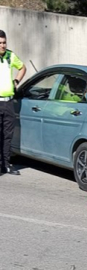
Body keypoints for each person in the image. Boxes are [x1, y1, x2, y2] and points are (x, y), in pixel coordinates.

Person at [0, 30, 26, 175]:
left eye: (4, 43)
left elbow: (22, 68)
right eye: (0, 43)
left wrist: (16, 81)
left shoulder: (11, 56)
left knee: (7, 135)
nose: (2, 46)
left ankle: (6, 164)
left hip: (8, 103)